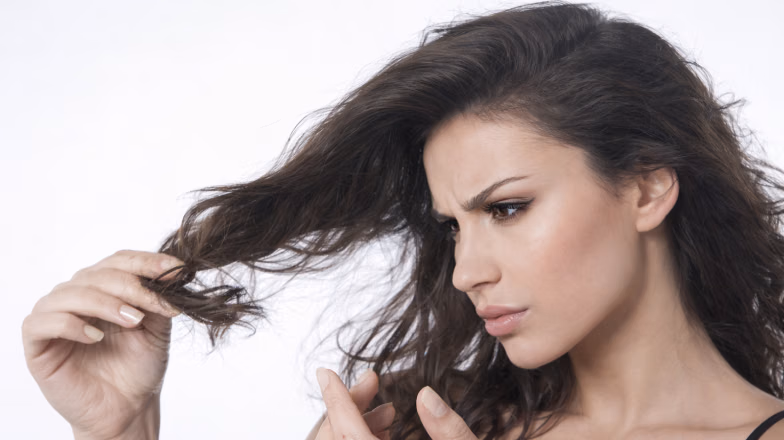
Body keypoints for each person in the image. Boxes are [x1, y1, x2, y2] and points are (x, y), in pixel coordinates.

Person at [21, 2, 784, 439]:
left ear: (648, 190)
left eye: (507, 208)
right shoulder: (419, 426)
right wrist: (122, 430)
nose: (466, 271)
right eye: (453, 225)